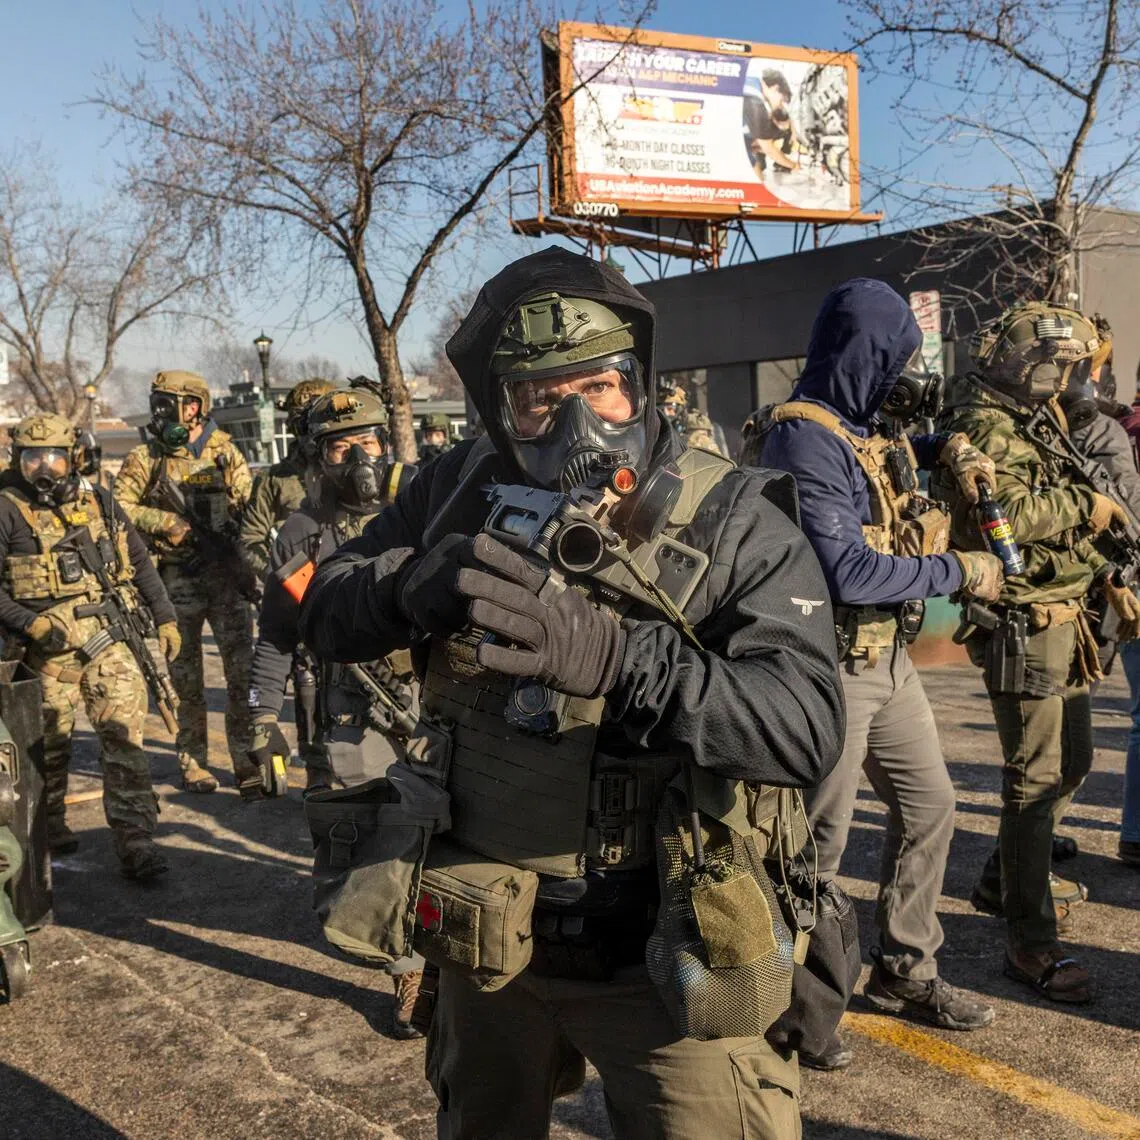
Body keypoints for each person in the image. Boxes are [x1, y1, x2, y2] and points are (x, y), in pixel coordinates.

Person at [299, 247, 845, 1138]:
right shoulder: (456, 487)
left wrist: (623, 661)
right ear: (502, 411)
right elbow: (319, 611)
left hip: (672, 955)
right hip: (487, 944)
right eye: (542, 400)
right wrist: (406, 586)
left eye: (601, 388)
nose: (579, 425)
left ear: (641, 386)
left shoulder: (736, 515)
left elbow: (805, 728)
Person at [756, 279, 1000, 1070]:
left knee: (932, 807)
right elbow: (848, 572)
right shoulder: (802, 440)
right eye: (895, 360)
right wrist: (960, 570)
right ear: (864, 357)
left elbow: (887, 460)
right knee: (816, 848)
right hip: (829, 666)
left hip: (886, 659)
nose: (905, 378)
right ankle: (794, 1010)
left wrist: (946, 447)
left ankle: (905, 968)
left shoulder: (855, 427)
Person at [932, 301, 1140, 1003]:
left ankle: (1004, 880)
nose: (1073, 378)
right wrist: (1089, 508)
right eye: (1065, 365)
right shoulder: (984, 423)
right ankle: (1030, 942)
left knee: (1072, 762)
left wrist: (1105, 570)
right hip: (1025, 621)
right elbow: (1010, 518)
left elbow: (1057, 506)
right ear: (1036, 364)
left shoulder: (1026, 417)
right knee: (1034, 780)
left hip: (1063, 613)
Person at [243, 386, 423, 1034]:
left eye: (369, 441)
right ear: (318, 456)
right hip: (351, 706)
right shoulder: (300, 532)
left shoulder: (419, 506)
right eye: (342, 447)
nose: (360, 458)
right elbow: (274, 636)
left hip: (434, 690)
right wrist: (260, 720)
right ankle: (408, 969)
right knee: (369, 835)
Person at [0, 413, 180, 878]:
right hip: (45, 652)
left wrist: (165, 617)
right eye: (32, 458)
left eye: (54, 458)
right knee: (46, 747)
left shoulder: (99, 500)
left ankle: (136, 841)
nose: (43, 467)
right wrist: (31, 624)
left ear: (73, 457)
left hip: (108, 641)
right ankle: (47, 827)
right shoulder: (6, 509)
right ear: (17, 459)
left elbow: (138, 562)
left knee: (124, 739)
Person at [116, 370, 254, 793]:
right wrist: (166, 522)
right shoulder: (147, 456)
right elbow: (117, 507)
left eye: (169, 402)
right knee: (185, 681)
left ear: (194, 406)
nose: (161, 410)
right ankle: (193, 762)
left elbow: (249, 506)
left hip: (225, 579)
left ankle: (247, 761)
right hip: (177, 580)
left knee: (242, 678)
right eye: (157, 401)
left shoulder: (224, 451)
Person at [1058, 320, 1140, 869]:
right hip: (1112, 588)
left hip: (1094, 589)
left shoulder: (1112, 426)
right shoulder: (1107, 429)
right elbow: (1128, 516)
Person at [241, 378, 335, 580]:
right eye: (304, 424)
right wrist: (285, 578)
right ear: (293, 427)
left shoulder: (355, 473)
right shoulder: (274, 479)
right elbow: (250, 540)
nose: (312, 432)